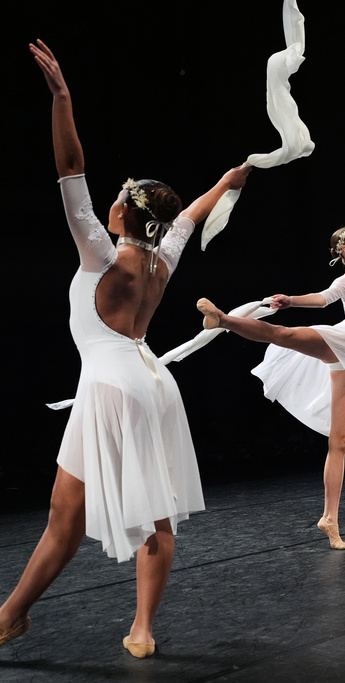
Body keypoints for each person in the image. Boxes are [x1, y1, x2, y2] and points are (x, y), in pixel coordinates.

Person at [0, 41, 249, 658]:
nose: (106, 199)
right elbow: (189, 216)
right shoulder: (161, 260)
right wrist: (225, 181)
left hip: (113, 388)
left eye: (117, 195)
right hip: (145, 383)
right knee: (134, 515)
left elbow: (69, 170)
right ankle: (124, 627)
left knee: (78, 517)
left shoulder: (101, 253)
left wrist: (61, 99)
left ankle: (13, 616)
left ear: (122, 212)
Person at [197, 183, 345, 551]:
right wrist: (291, 299)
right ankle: (224, 319)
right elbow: (323, 300)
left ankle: (330, 518)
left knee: (338, 443)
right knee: (284, 334)